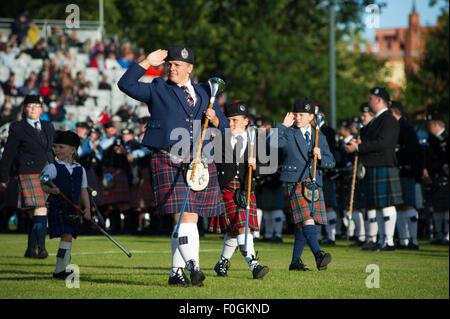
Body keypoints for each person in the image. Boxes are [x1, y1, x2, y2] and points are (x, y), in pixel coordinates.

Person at [118, 46, 229, 287]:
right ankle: (194, 266)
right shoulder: (158, 88)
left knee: (189, 217)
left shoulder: (206, 91)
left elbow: (226, 129)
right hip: (168, 157)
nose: (172, 67)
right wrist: (146, 61)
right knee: (183, 215)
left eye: (177, 64)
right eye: (169, 64)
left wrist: (216, 120)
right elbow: (125, 84)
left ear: (190, 68)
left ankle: (176, 273)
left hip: (199, 161)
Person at [209, 100, 269, 279]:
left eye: (236, 120)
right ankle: (254, 265)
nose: (232, 124)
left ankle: (221, 264)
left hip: (245, 188)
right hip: (227, 187)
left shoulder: (256, 141)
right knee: (240, 227)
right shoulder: (220, 139)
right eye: (229, 120)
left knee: (236, 229)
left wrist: (256, 165)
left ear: (246, 121)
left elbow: (266, 168)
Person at [275, 98, 335, 271]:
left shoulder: (319, 136)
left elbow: (331, 161)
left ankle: (295, 262)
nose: (298, 117)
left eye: (302, 115)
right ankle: (318, 255)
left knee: (304, 223)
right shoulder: (288, 132)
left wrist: (321, 156)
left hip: (315, 183)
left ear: (311, 116)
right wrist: (282, 126)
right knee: (307, 219)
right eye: (296, 114)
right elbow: (271, 144)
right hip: (296, 181)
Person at [345, 88, 403, 251]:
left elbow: (384, 143)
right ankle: (380, 240)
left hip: (383, 164)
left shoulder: (388, 119)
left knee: (386, 204)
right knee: (377, 205)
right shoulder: (377, 120)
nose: (368, 101)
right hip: (374, 164)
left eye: (371, 98)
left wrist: (358, 147)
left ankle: (389, 241)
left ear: (378, 100)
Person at [0, 95, 55, 258]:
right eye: (30, 106)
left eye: (36, 106)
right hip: (29, 172)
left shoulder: (48, 126)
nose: (33, 110)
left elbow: (51, 150)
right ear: (24, 109)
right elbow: (8, 154)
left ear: (41, 109)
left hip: (47, 172)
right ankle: (42, 248)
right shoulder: (17, 127)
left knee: (39, 211)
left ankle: (31, 249)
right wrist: (3, 177)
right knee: (40, 209)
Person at [40, 130, 91, 279]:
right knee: (67, 236)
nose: (57, 150)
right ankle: (60, 270)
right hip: (58, 208)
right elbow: (43, 185)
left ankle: (61, 269)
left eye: (61, 147)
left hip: (72, 208)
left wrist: (87, 209)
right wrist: (51, 190)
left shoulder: (80, 169)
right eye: (56, 147)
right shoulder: (52, 167)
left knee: (68, 237)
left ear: (73, 150)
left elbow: (83, 190)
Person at [389, 101, 424, 250]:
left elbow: (412, 151)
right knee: (400, 206)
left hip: (406, 171)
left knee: (408, 204)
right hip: (399, 170)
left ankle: (414, 240)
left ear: (393, 113)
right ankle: (403, 240)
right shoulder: (396, 127)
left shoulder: (406, 128)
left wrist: (397, 157)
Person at [423, 113, 449, 245]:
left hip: (446, 176)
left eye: (429, 124)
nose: (428, 127)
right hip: (435, 175)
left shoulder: (446, 137)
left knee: (447, 206)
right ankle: (439, 234)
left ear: (435, 124)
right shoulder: (431, 139)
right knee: (438, 206)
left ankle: (447, 235)